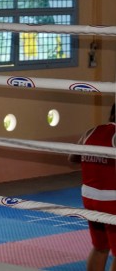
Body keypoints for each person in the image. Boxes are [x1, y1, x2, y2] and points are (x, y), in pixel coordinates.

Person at [69, 104, 116, 271]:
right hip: (112, 200)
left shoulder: (91, 131)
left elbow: (72, 157)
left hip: (89, 197)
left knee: (100, 247)